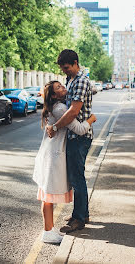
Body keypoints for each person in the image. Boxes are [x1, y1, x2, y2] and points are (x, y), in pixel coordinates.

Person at [33, 81, 96, 244]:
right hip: (53, 157)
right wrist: (91, 120)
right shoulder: (60, 109)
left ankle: (49, 230)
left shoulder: (55, 105)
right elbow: (80, 129)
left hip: (49, 154)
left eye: (62, 85)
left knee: (46, 195)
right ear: (54, 95)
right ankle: (48, 232)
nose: (64, 88)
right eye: (59, 88)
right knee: (47, 197)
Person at [46, 49, 93, 233]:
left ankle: (79, 219)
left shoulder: (80, 80)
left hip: (80, 136)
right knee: (76, 177)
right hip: (74, 136)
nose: (64, 71)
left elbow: (73, 111)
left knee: (77, 178)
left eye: (66, 67)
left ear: (75, 62)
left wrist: (55, 127)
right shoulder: (71, 79)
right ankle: (81, 213)